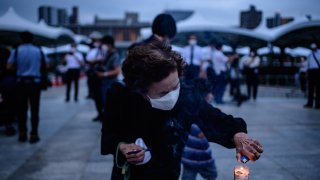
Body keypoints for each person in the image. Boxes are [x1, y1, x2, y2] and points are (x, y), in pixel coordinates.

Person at [101, 39, 263, 179]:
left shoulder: (186, 94)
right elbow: (109, 135)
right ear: (141, 90)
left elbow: (215, 119)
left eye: (175, 86)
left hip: (169, 174)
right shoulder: (120, 96)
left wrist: (238, 135)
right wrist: (124, 146)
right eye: (164, 92)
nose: (173, 95)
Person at [7, 31, 48, 143]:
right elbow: (47, 65)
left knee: (21, 109)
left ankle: (22, 133)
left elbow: (9, 66)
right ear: (32, 39)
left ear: (21, 39)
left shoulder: (16, 51)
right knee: (35, 109)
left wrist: (19, 69)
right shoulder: (38, 50)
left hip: (21, 82)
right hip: (35, 82)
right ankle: (34, 134)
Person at [181, 78, 217, 180]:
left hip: (190, 154)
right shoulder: (201, 110)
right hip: (200, 155)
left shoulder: (194, 107)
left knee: (189, 177)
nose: (212, 95)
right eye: (210, 93)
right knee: (211, 174)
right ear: (206, 95)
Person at [96, 35, 122, 109]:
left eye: (104, 44)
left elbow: (117, 71)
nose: (102, 46)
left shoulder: (115, 55)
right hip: (105, 82)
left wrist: (103, 74)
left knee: (109, 105)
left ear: (109, 45)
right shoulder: (107, 53)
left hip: (110, 83)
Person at [86, 31, 106, 121]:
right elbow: (88, 60)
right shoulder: (92, 50)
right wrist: (97, 60)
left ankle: (103, 114)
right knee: (96, 96)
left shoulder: (104, 49)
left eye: (95, 40)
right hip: (94, 75)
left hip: (103, 76)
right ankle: (99, 113)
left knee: (102, 96)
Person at [0, 46, 17, 136]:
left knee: (5, 104)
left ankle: (8, 123)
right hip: (8, 82)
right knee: (8, 104)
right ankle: (8, 124)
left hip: (5, 82)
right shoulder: (7, 52)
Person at [304, 43, 320, 109]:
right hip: (311, 72)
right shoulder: (310, 54)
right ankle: (309, 103)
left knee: (318, 89)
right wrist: (306, 72)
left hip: (318, 71)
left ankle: (318, 104)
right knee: (310, 88)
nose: (313, 49)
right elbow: (307, 64)